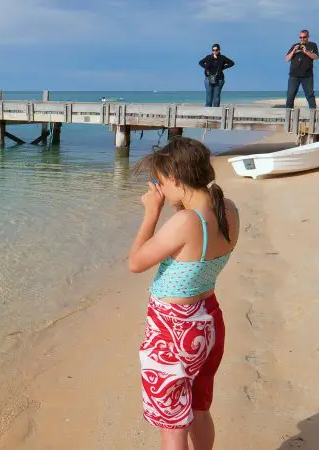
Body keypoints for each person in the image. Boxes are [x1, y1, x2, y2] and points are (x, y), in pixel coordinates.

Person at [127, 137, 240, 450]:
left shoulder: (186, 222)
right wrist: (177, 201)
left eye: (162, 182)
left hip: (173, 330)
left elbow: (135, 263)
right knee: (199, 410)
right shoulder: (228, 210)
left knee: (172, 424)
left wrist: (152, 212)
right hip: (209, 320)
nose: (161, 189)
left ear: (174, 179)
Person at [285, 29, 319, 108]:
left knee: (310, 96)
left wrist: (306, 51)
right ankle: (288, 117)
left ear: (308, 37)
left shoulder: (313, 45)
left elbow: (316, 57)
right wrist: (294, 50)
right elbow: (286, 59)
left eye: (304, 37)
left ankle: (312, 117)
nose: (302, 39)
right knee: (290, 95)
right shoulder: (295, 46)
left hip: (307, 76)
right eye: (301, 37)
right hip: (294, 75)